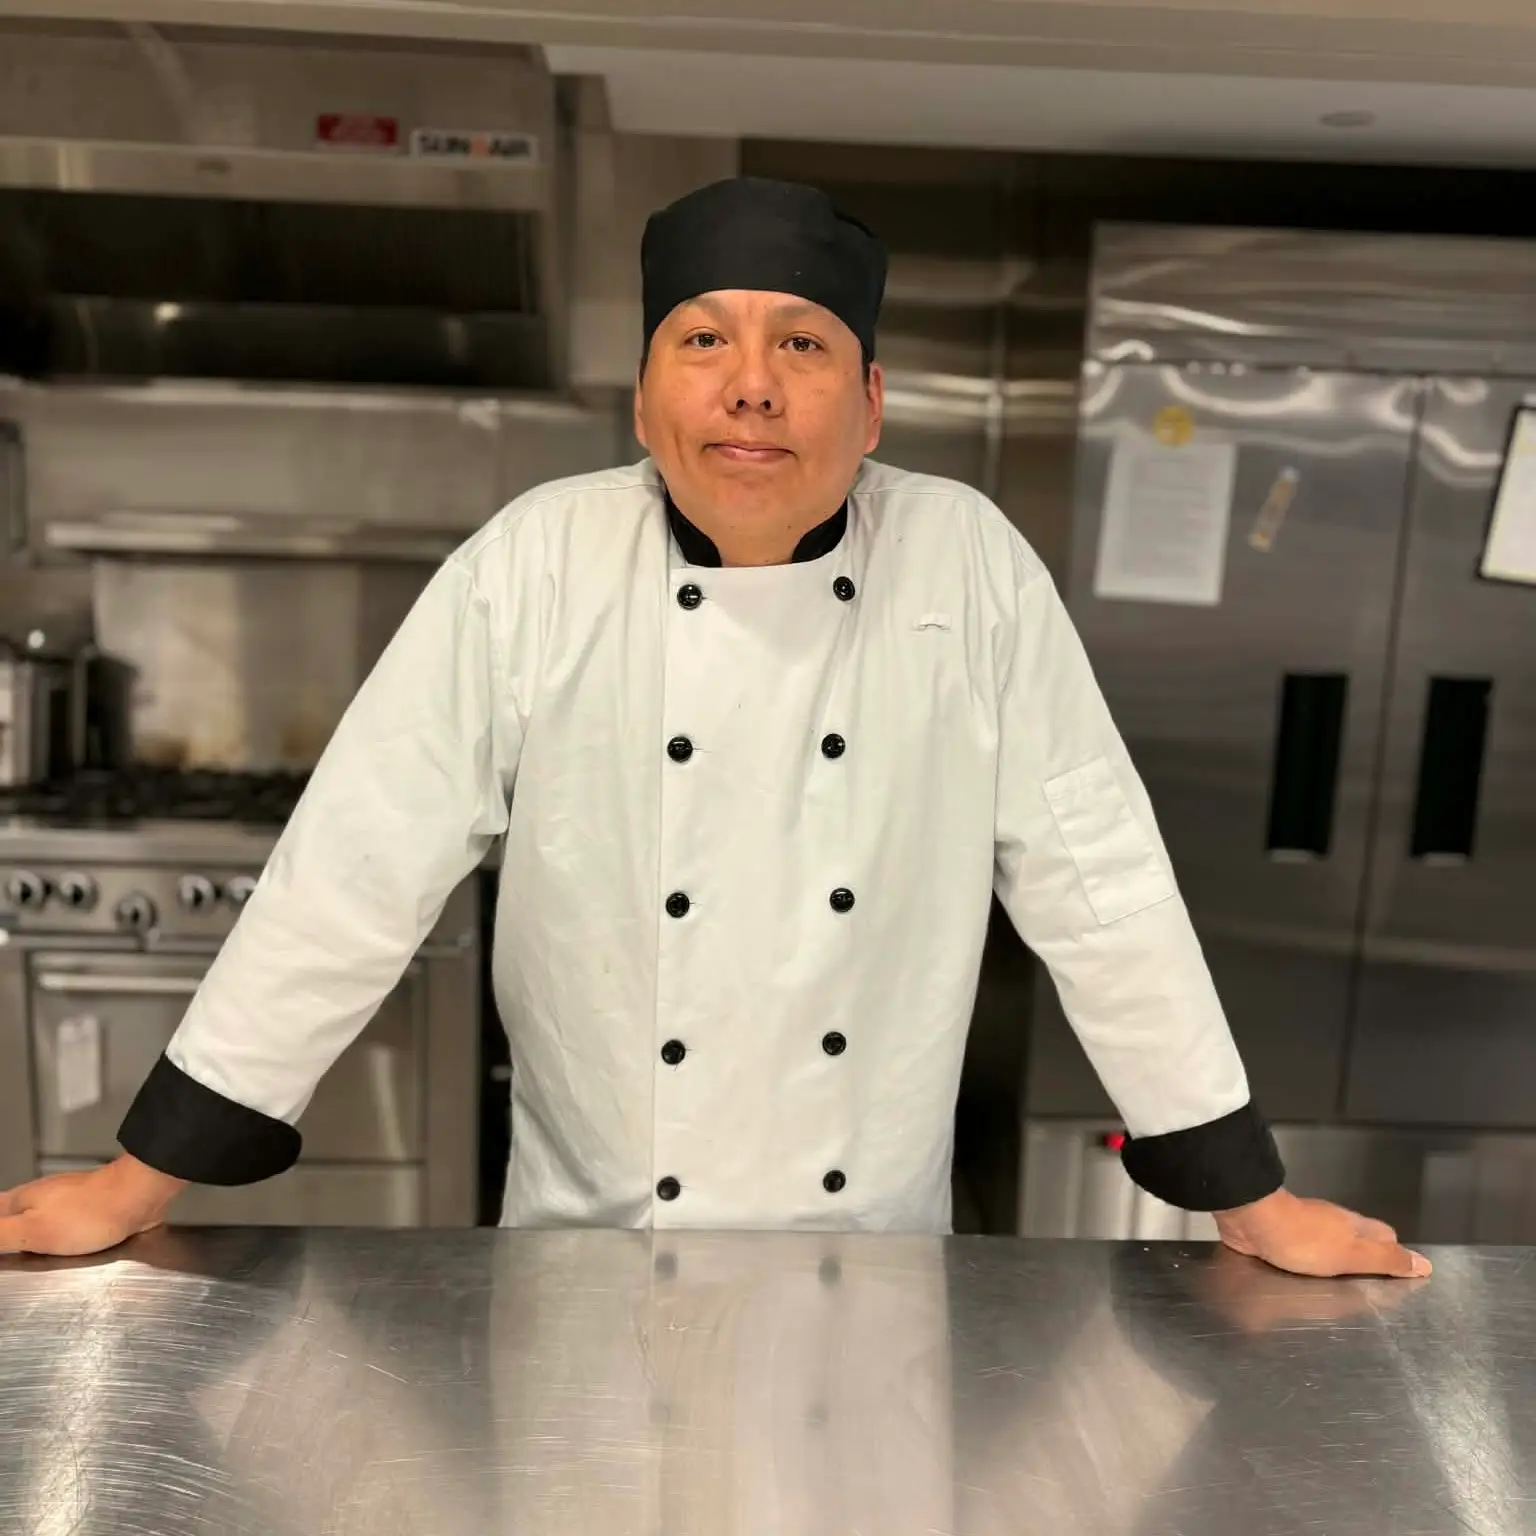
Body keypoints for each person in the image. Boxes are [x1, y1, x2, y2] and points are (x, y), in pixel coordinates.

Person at [0, 177, 1428, 1278]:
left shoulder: (969, 564)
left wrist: (1249, 1197)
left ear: (872, 404)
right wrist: (139, 1183)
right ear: (644, 396)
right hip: (585, 1260)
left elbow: (1098, 881)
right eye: (705, 339)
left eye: (802, 343)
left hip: (870, 1271)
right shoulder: (535, 562)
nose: (751, 382)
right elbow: (351, 873)